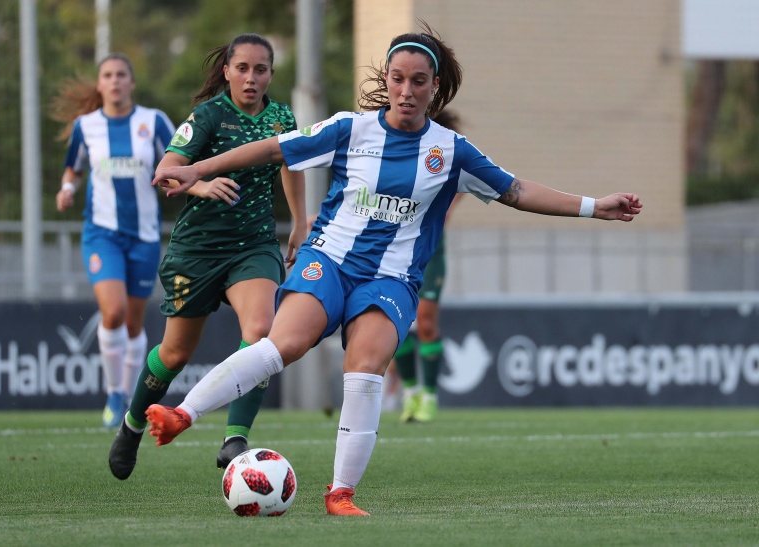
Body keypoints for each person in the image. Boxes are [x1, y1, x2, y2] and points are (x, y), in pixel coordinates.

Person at [145, 23, 642, 516]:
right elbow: (275, 149)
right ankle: (181, 413)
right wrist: (196, 169)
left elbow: (516, 190)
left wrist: (594, 205)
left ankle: (340, 495)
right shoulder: (349, 128)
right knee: (284, 344)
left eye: (419, 81)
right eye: (398, 79)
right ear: (386, 79)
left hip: (391, 280)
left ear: (434, 87)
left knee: (364, 368)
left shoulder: (450, 151)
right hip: (330, 261)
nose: (407, 91)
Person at [107, 34, 307, 481]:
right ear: (227, 72)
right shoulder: (209, 115)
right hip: (197, 250)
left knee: (261, 332)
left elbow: (289, 164)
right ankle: (132, 424)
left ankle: (235, 437)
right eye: (242, 69)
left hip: (253, 246)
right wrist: (200, 185)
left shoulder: (280, 117)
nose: (251, 78)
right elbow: (165, 171)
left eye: (260, 70)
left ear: (271, 74)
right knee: (176, 352)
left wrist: (300, 221)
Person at [54, 53, 175, 429]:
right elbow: (73, 167)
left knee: (135, 325)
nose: (115, 81)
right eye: (107, 75)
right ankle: (113, 393)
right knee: (114, 313)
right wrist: (67, 188)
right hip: (101, 234)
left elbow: (175, 161)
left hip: (144, 236)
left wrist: (180, 182)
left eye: (121, 74)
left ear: (131, 82)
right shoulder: (85, 126)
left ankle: (126, 397)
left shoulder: (153, 121)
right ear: (100, 84)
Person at [395, 108, 462, 423]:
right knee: (397, 323)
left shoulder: (449, 153)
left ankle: (430, 397)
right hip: (397, 251)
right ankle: (410, 393)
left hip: (431, 252)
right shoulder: (398, 150)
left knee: (426, 322)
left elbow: (461, 189)